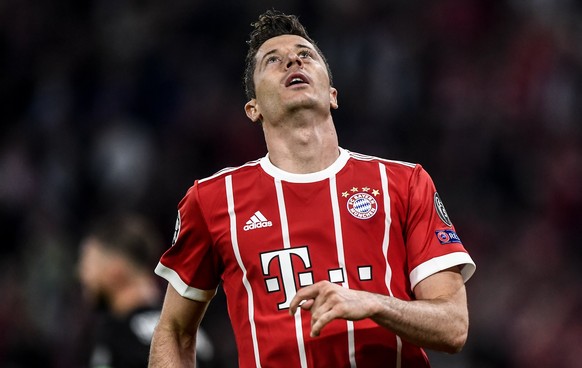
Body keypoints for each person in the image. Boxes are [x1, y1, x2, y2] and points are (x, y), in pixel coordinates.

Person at [149, 9, 476, 368]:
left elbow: (453, 325)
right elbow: (175, 331)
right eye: (272, 61)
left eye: (306, 55)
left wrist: (376, 304)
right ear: (253, 108)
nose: (292, 60)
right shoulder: (212, 200)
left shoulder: (403, 183)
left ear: (333, 94)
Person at [78, 214, 215, 368]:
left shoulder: (120, 337)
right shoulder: (193, 333)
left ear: (115, 270)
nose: (82, 275)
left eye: (88, 265)